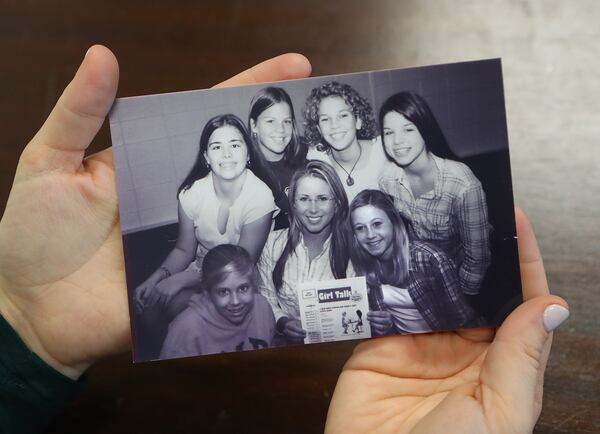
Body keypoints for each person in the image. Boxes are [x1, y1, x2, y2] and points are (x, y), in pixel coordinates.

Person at [0, 45, 569, 434]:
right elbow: (233, 270)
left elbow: (402, 275)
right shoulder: (249, 214)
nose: (314, 204)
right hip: (249, 298)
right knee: (183, 320)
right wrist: (27, 321)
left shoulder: (375, 220)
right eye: (304, 199)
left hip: (412, 302)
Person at [134, 113, 277, 316]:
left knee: (185, 311)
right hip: (200, 273)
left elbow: (241, 263)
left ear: (248, 154)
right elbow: (184, 250)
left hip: (244, 278)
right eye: (217, 147)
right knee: (151, 306)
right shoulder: (191, 194)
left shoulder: (261, 196)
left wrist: (182, 279)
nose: (226, 154)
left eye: (235, 145)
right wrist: (154, 279)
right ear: (206, 157)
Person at [378, 91, 491, 296]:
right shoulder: (387, 177)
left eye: (408, 129)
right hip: (420, 276)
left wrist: (460, 300)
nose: (397, 141)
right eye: (388, 132)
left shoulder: (462, 183)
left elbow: (477, 258)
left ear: (424, 129)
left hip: (458, 280)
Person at [349, 189, 482, 336]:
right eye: (360, 228)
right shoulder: (360, 269)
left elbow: (464, 322)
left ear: (394, 222)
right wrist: (386, 326)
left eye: (377, 224)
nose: (370, 235)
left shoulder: (430, 259)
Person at [258, 160, 350, 344]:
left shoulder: (353, 250)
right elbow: (265, 297)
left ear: (337, 204)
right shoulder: (272, 244)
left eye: (323, 199)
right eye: (304, 199)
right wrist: (283, 322)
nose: (313, 209)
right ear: (293, 203)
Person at [160, 244, 275, 358]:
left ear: (253, 285)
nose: (235, 301)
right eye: (223, 292)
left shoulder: (262, 307)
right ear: (207, 292)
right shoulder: (185, 329)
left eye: (243, 288)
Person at [303, 81, 386, 202]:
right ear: (319, 129)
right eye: (325, 119)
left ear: (358, 121)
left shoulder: (383, 152)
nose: (334, 125)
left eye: (343, 115)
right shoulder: (317, 159)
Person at [248, 86, 308, 230]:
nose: (280, 129)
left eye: (286, 121)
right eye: (270, 121)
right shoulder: (249, 175)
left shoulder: (307, 154)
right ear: (254, 125)